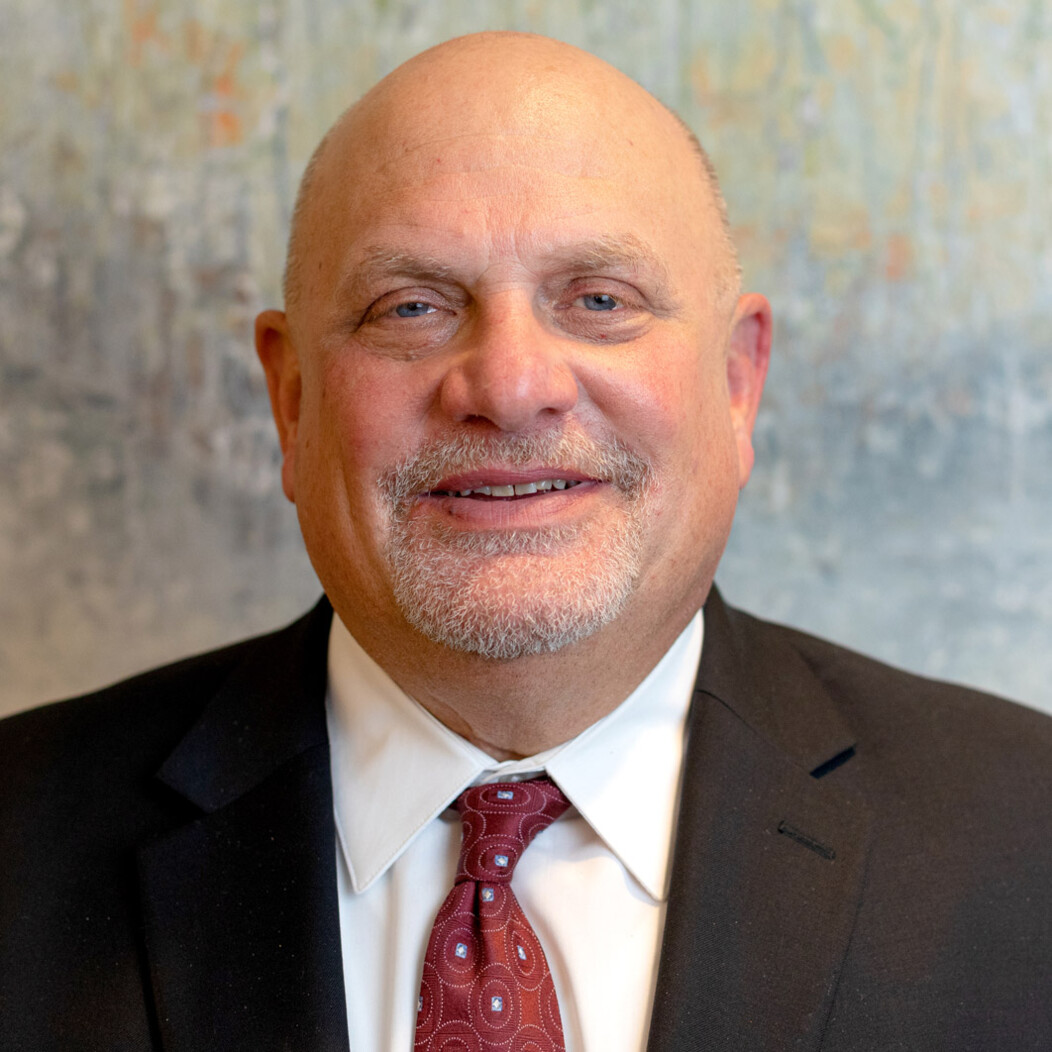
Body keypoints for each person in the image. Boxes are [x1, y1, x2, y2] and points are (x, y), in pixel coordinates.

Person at [1, 31, 1050, 1052]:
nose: (507, 388)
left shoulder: (1024, 838)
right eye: (409, 306)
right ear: (291, 401)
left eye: (598, 300)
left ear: (736, 384)